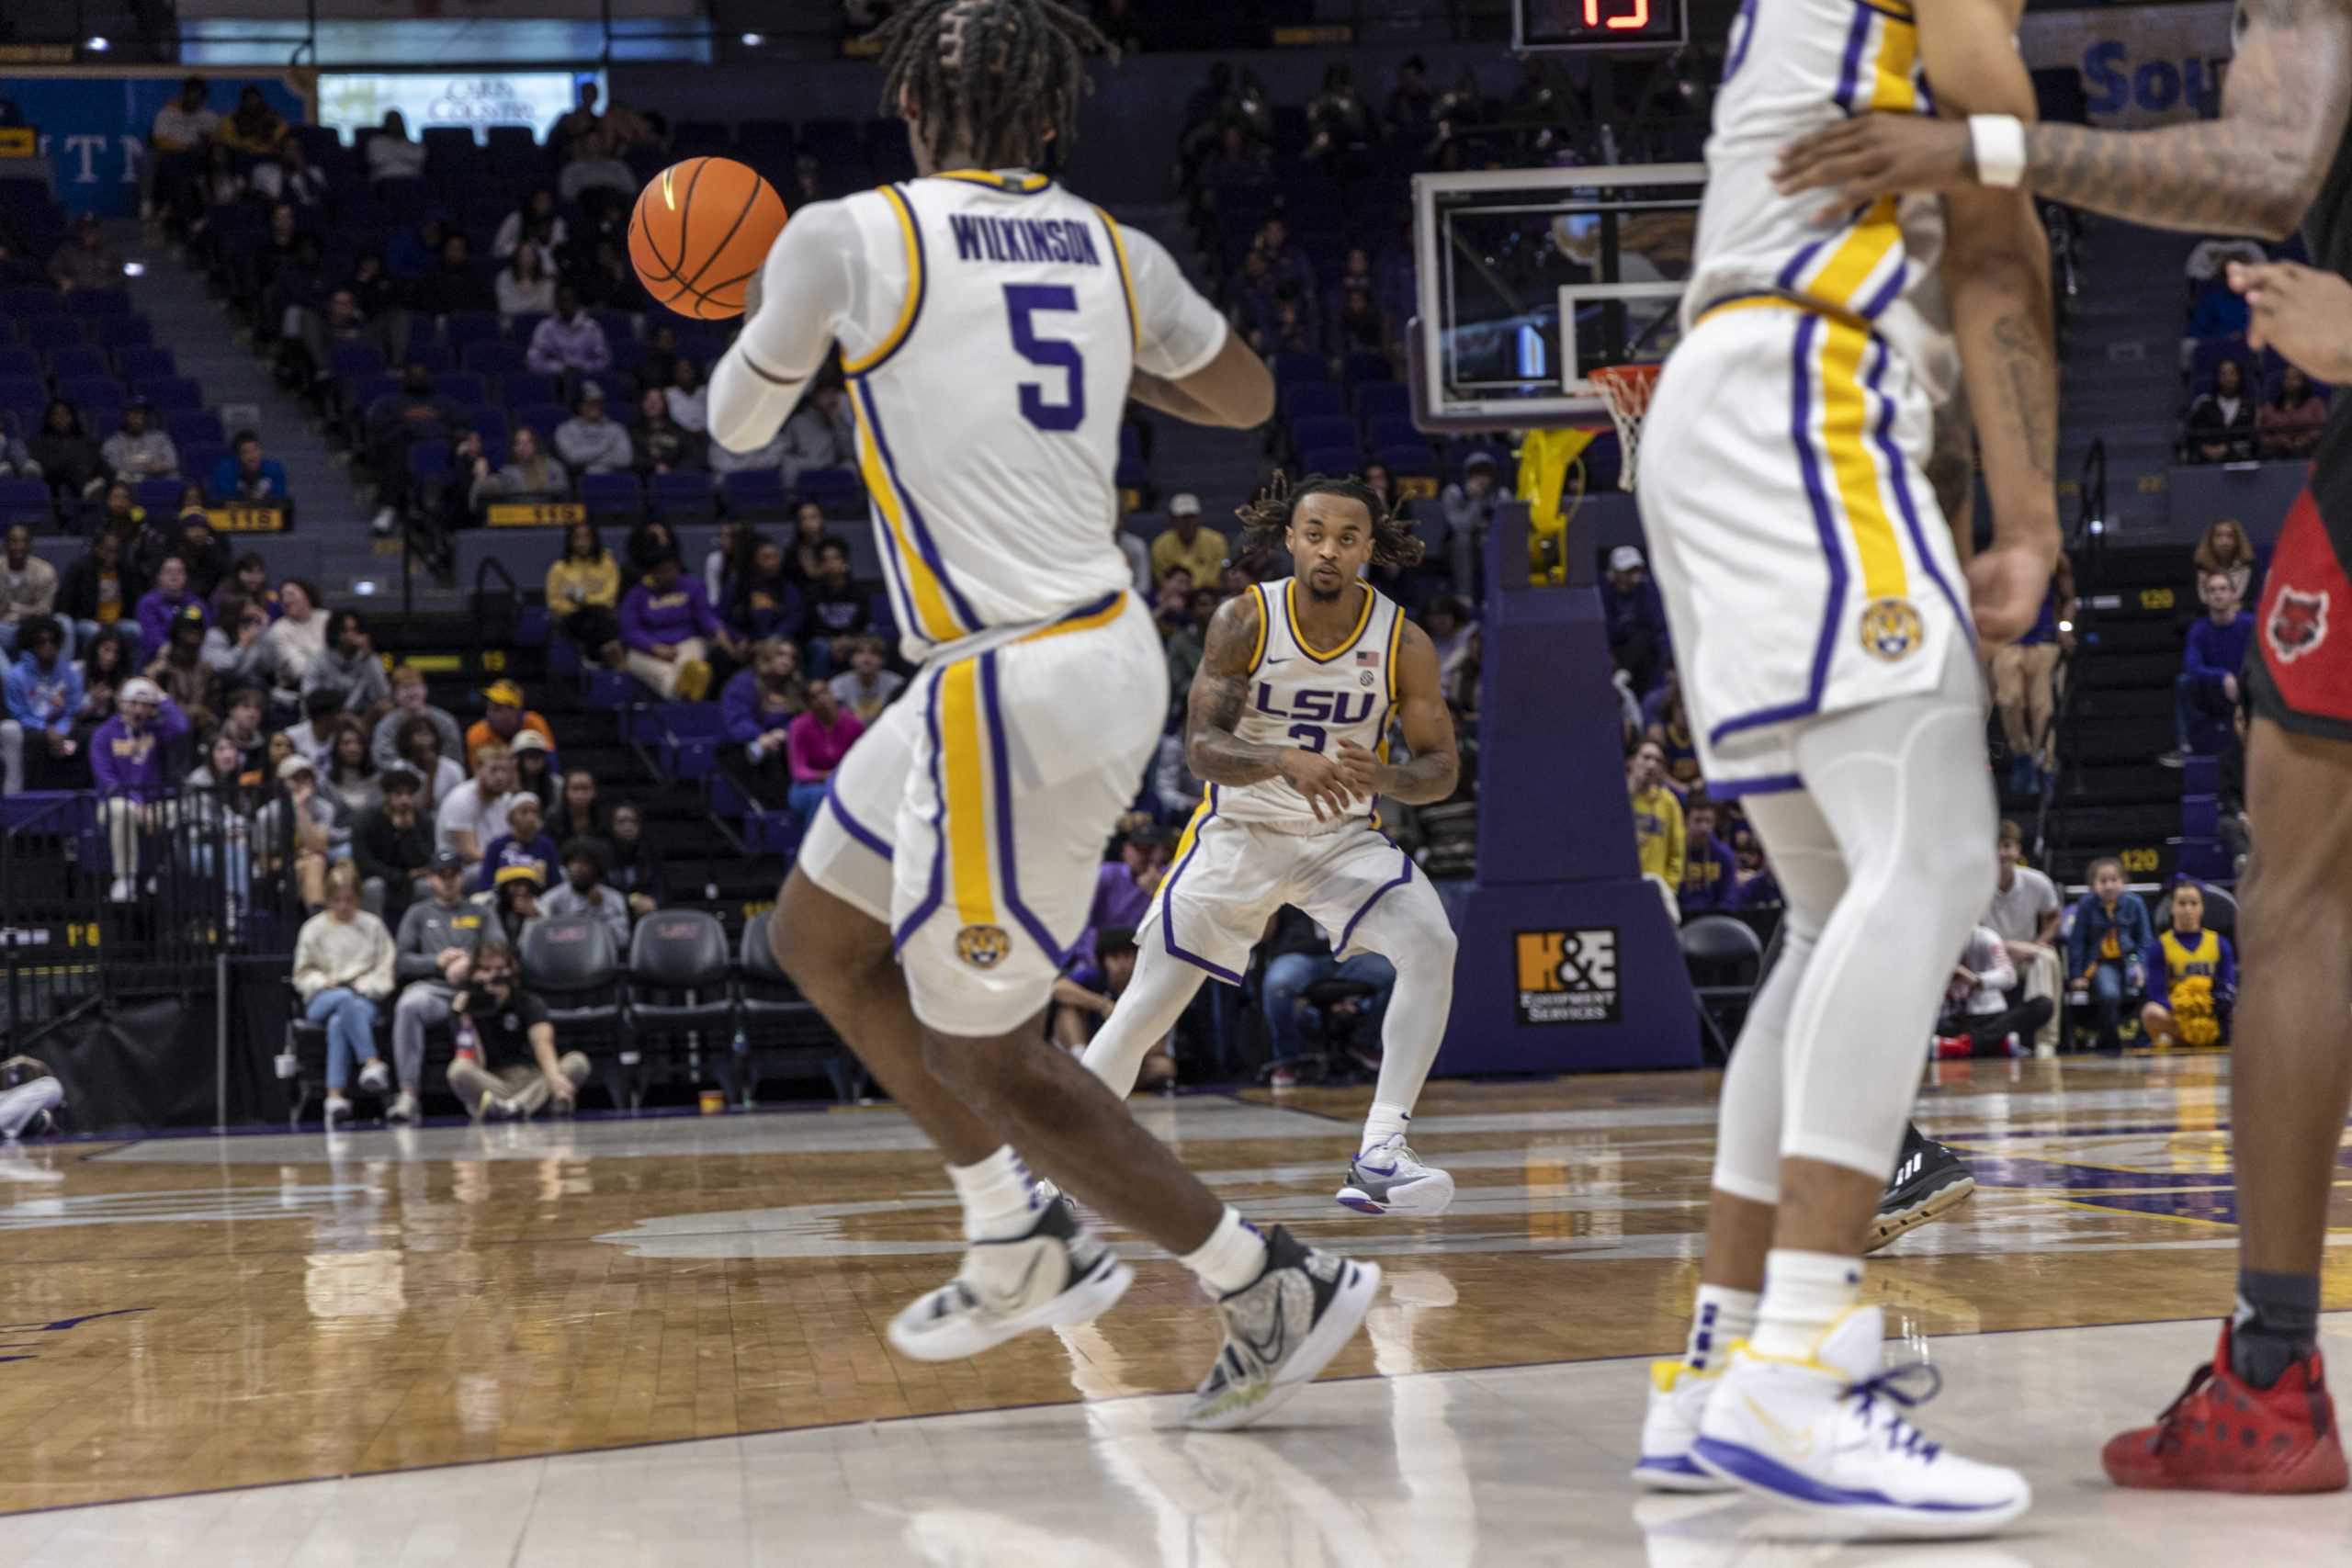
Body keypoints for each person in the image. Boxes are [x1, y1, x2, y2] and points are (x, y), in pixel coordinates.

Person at [706, 0, 1374, 1422]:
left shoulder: (842, 235)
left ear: (907, 112)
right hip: (1036, 659)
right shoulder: (1112, 248)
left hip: (1017, 675)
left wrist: (765, 324)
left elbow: (732, 428)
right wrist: (1105, 354)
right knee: (817, 932)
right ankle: (1010, 1229)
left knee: (982, 1048)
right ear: (1054, 122)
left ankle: (1263, 1274)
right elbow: (1247, 390)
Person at [1628, 0, 2059, 1530]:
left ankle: (1722, 1355)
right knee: (1936, 861)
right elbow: (2006, 183)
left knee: (1833, 914)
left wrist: (2021, 524)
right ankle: (1798, 1364)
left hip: (1737, 403)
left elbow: (1988, 227)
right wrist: (2024, 525)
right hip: (1812, 393)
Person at [1080, 471, 1463, 1213]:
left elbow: (1442, 768)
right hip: (1240, 833)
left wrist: (1383, 774)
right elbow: (1201, 747)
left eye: (1347, 537)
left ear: (1368, 547)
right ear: (1290, 538)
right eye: (1314, 533)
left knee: (1432, 942)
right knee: (1144, 1010)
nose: (1329, 549)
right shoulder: (1243, 620)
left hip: (1341, 839)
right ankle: (1058, 1175)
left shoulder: (1402, 640)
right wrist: (1285, 758)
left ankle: (1381, 1150)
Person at [291, 863, 397, 1128]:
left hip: (363, 997)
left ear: (358, 898)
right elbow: (301, 974)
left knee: (341, 1020)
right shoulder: (312, 929)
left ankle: (335, 1096)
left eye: (349, 900)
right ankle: (371, 1062)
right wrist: (322, 981)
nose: (343, 906)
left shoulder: (373, 927)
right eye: (336, 900)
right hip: (322, 997)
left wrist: (366, 986)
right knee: (342, 1000)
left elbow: (385, 968)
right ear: (327, 899)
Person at [446, 941, 592, 1121]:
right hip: (492, 1081)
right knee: (458, 1070)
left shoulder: (528, 1002)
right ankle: (531, 1106)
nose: (494, 976)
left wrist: (554, 1078)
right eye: (486, 969)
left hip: (533, 1078)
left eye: (500, 969)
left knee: (577, 1062)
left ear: (511, 970)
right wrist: (464, 1019)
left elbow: (542, 1043)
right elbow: (474, 1062)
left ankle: (512, 1107)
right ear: (474, 973)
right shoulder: (465, 1007)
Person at [91, 677, 191, 902]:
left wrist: (163, 698)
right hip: (114, 802)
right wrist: (136, 802)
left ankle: (163, 869)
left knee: (184, 810)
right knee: (123, 810)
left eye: (146, 705)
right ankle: (125, 879)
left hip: (152, 802)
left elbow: (182, 728)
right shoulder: (103, 734)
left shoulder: (155, 731)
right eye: (133, 703)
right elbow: (106, 778)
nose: (139, 710)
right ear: (122, 703)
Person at [1989, 556, 2075, 794]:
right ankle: (2021, 753)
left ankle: (2045, 767)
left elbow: (2068, 597)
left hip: (2044, 641)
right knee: (2008, 699)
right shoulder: (1997, 559)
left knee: (2044, 709)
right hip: (2008, 643)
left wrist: (2066, 628)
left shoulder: (2054, 558)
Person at [1985, 820, 2065, 1055]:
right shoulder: (1974, 886)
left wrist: (2040, 943)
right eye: (1996, 847)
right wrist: (2005, 947)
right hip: (1989, 958)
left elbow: (2053, 917)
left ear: (2018, 851)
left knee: (2047, 958)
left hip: (2026, 955)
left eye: (2007, 846)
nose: (2002, 853)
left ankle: (2045, 1041)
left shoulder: (2037, 881)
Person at [2136, 878, 2237, 1051]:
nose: (2188, 909)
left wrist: (2211, 1008)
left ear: (2202, 908)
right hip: (2176, 1016)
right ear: (2172, 907)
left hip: (2212, 1013)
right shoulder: (2160, 946)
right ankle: (2182, 1040)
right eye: (2182, 903)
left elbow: (2228, 985)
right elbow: (2156, 992)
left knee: (2240, 1012)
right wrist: (2184, 1012)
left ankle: (2214, 1037)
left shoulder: (2220, 943)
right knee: (2151, 1012)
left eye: (2193, 903)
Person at [2066, 856, 2155, 1051]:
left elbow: (2145, 940)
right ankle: (2110, 1041)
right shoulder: (2086, 905)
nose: (2109, 885)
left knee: (2150, 987)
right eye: (2103, 881)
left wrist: (2140, 965)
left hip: (2131, 958)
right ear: (2092, 885)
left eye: (2114, 880)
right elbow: (2077, 942)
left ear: (2123, 882)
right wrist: (2077, 975)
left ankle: (2143, 1039)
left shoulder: (2135, 903)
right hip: (2102, 962)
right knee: (2109, 994)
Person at [620, 550, 732, 701]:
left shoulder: (693, 586)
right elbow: (630, 630)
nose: (670, 575)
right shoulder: (636, 594)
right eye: (663, 571)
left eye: (673, 570)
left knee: (687, 667)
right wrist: (654, 648)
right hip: (647, 649)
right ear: (652, 573)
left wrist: (718, 631)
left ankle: (682, 696)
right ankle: (683, 696)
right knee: (662, 671)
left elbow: (706, 617)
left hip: (686, 642)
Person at [1934, 923, 2052, 1059]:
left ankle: (1962, 1046)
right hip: (1953, 1019)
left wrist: (1976, 980)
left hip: (1988, 1016)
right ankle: (1996, 1044)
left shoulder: (1985, 937)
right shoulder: (1933, 941)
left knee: (2043, 1005)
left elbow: (2009, 976)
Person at [1, 617, 81, 794]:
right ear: (31, 644)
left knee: (79, 739)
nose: (48, 646)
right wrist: (45, 729)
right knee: (35, 741)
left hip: (62, 728)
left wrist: (60, 730)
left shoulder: (69, 672)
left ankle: (73, 794)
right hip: (32, 729)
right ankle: (34, 796)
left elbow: (73, 709)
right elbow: (18, 715)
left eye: (52, 641)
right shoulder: (16, 677)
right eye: (41, 642)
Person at [253, 752, 340, 910]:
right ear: (281, 783)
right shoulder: (266, 815)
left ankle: (315, 915)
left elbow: (318, 846)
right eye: (295, 778)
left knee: (315, 862)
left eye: (306, 778)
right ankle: (317, 918)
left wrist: (300, 808)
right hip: (276, 874)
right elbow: (263, 863)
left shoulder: (325, 809)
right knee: (314, 862)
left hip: (313, 866)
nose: (302, 784)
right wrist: (292, 858)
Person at [722, 637, 806, 800]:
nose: (787, 661)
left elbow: (802, 719)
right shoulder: (743, 683)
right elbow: (737, 719)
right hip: (742, 744)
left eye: (791, 657)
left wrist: (785, 732)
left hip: (781, 741)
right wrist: (759, 736)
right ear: (766, 656)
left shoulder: (795, 686)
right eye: (780, 654)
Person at [352, 766, 435, 922]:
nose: (405, 800)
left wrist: (408, 832)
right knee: (373, 887)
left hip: (410, 883)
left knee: (426, 886)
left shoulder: (423, 820)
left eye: (410, 794)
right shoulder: (367, 819)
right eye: (399, 794)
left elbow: (426, 860)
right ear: (387, 796)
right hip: (381, 878)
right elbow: (364, 863)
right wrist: (400, 876)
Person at [784, 676, 863, 828]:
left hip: (844, 782)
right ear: (808, 705)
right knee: (821, 795)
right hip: (807, 787)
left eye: (824, 693)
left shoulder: (853, 724)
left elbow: (861, 760)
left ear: (833, 694)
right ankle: (813, 847)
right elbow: (798, 770)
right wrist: (825, 776)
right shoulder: (799, 726)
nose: (821, 699)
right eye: (814, 697)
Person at [546, 521, 624, 666]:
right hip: (573, 617)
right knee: (597, 620)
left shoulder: (607, 564)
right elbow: (554, 602)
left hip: (601, 614)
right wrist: (578, 607)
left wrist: (585, 601)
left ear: (594, 540)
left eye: (586, 538)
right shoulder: (559, 568)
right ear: (570, 541)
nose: (582, 543)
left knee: (599, 616)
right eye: (577, 538)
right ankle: (613, 660)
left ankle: (593, 658)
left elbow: (609, 597)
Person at [794, 537, 869, 673]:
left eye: (835, 558)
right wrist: (833, 642)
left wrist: (847, 639)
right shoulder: (812, 593)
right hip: (823, 640)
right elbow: (811, 626)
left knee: (871, 639)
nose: (830, 563)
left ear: (845, 562)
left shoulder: (859, 592)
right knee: (821, 647)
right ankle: (818, 688)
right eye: (825, 560)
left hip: (851, 638)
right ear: (820, 565)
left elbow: (863, 621)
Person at [540, 836, 630, 949]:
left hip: (600, 958)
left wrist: (600, 909)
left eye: (585, 863)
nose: (577, 868)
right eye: (572, 862)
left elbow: (621, 939)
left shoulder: (614, 899)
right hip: (561, 959)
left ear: (597, 867)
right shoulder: (551, 898)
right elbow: (544, 939)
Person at [369, 664, 462, 773]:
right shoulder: (386, 725)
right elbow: (382, 759)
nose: (411, 693)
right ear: (395, 694)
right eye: (405, 688)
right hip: (400, 779)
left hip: (440, 777)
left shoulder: (446, 721)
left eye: (415, 686)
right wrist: (411, 771)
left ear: (425, 689)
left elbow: (454, 759)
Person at [436, 740, 516, 865]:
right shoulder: (461, 800)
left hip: (496, 863)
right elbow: (469, 854)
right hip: (459, 871)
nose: (500, 777)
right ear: (478, 769)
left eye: (505, 770)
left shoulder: (506, 800)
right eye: (494, 770)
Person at [143, 603, 218, 732]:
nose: (193, 637)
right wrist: (190, 712)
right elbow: (153, 710)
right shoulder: (159, 669)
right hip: (166, 730)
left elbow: (212, 710)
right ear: (176, 633)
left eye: (197, 631)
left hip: (199, 730)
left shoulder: (207, 669)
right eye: (188, 631)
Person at [304, 609, 390, 716]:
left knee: (384, 706)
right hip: (330, 715)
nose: (351, 635)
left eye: (355, 630)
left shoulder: (370, 659)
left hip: (362, 716)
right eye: (345, 631)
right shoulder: (318, 660)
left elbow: (383, 695)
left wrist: (368, 658)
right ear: (335, 633)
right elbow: (309, 694)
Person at [1626, 739, 1685, 893]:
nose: (1652, 765)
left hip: (1655, 890)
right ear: (1631, 761)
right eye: (1646, 757)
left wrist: (1668, 889)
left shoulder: (1669, 802)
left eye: (1658, 761)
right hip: (1620, 887)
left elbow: (1677, 853)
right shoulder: (1614, 797)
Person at [470, 426, 571, 513]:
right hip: (519, 524)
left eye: (528, 442)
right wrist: (482, 477)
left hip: (550, 519)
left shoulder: (553, 466)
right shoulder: (507, 472)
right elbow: (487, 489)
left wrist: (542, 486)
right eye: (519, 443)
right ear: (513, 448)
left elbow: (563, 489)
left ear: (536, 444)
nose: (523, 447)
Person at [472, 790, 557, 894]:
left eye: (534, 812)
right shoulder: (496, 846)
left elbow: (555, 885)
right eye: (524, 812)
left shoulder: (546, 845)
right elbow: (486, 884)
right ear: (510, 817)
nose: (530, 817)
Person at [0, 525, 61, 659]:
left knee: (64, 623)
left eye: (23, 541)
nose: (18, 546)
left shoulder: (45, 571)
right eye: (14, 541)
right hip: (3, 630)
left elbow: (44, 610)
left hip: (33, 629)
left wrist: (16, 612)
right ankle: (12, 678)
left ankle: (60, 674)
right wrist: (28, 611)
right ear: (5, 545)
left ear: (30, 545)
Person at [526, 288, 612, 379]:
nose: (566, 305)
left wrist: (583, 368)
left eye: (569, 300)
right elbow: (533, 360)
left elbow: (604, 360)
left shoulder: (591, 327)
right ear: (557, 304)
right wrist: (560, 368)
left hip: (587, 379)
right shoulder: (546, 328)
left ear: (577, 303)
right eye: (562, 301)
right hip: (555, 379)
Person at [779, 383, 854, 488]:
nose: (830, 398)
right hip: (806, 474)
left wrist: (837, 420)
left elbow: (849, 453)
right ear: (816, 396)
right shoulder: (799, 421)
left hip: (832, 476)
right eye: (825, 393)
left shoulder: (839, 420)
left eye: (834, 393)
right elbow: (783, 451)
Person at [465, 680, 554, 768]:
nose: (490, 712)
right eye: (490, 705)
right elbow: (478, 773)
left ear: (516, 710)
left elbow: (551, 764)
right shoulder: (476, 733)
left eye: (497, 707)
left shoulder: (535, 723)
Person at [2187, 357, 2258, 464]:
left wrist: (2227, 448)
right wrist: (2205, 449)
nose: (2228, 378)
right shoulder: (2205, 406)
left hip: (2240, 465)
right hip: (2208, 464)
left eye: (2232, 373)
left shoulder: (2249, 407)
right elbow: (2193, 435)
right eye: (2223, 374)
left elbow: (2252, 440)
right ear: (2217, 377)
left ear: (2239, 377)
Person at [28, 400, 102, 502]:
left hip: (85, 474)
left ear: (72, 418)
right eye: (56, 414)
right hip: (52, 479)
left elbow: (94, 461)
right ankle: (85, 487)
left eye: (65, 414)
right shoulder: (39, 441)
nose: (61, 418)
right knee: (70, 462)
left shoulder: (83, 441)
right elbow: (40, 465)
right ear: (50, 419)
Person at [554, 383, 633, 477]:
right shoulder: (565, 430)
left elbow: (625, 459)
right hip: (579, 483)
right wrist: (605, 446)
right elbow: (573, 457)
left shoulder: (617, 429)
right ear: (579, 406)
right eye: (591, 403)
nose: (596, 406)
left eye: (598, 402)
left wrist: (589, 462)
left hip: (614, 480)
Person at [1150, 493, 1227, 589]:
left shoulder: (1216, 541)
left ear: (1198, 518)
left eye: (1191, 517)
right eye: (1183, 518)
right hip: (1175, 595)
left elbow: (1217, 577)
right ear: (1172, 519)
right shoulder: (1160, 545)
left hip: (1208, 593)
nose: (1188, 522)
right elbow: (1164, 579)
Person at [603, 800, 662, 918]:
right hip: (612, 915)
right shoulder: (603, 855)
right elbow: (602, 892)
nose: (628, 826)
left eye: (633, 821)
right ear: (612, 825)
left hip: (645, 913)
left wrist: (654, 901)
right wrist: (632, 901)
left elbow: (661, 890)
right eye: (621, 821)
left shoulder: (649, 853)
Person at [1677, 797, 1735, 918]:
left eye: (1708, 821)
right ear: (1686, 821)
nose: (1704, 827)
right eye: (1698, 821)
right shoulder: (1674, 851)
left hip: (1713, 920)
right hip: (1677, 918)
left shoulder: (1724, 855)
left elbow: (1728, 898)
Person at [2259, 365, 2329, 460]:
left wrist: (2307, 439)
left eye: (2295, 378)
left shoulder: (2315, 404)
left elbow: (2323, 429)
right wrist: (2278, 440)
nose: (2290, 382)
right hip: (2277, 451)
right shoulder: (2270, 407)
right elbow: (2262, 435)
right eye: (2287, 378)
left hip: (2309, 450)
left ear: (2304, 382)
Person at [101, 403, 179, 486]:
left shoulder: (160, 438)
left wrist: (159, 467)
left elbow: (172, 463)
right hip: (128, 485)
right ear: (125, 417)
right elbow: (116, 467)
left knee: (174, 477)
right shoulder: (113, 442)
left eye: (142, 414)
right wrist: (145, 468)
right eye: (135, 414)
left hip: (157, 480)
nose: (139, 418)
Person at [396, 715, 465, 809]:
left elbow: (460, 805)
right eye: (419, 734)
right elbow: (419, 809)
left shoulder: (453, 769)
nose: (425, 740)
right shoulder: (400, 769)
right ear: (407, 741)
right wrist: (431, 773)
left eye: (428, 734)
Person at [828, 637, 903, 722]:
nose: (867, 659)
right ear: (852, 659)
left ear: (882, 660)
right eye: (860, 652)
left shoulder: (897, 684)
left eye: (874, 653)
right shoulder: (837, 685)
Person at [210, 432, 291, 511]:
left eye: (255, 450)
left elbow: (279, 497)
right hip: (232, 516)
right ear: (237, 456)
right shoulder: (225, 471)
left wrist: (262, 499)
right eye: (245, 452)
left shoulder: (274, 469)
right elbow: (225, 501)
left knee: (287, 503)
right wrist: (250, 500)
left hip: (264, 514)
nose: (253, 456)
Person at [50, 213, 123, 294]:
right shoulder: (67, 250)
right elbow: (53, 269)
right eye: (84, 229)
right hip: (75, 293)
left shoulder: (110, 251)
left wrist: (107, 284)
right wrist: (63, 280)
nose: (89, 233)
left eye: (93, 229)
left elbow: (120, 274)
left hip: (103, 294)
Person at [364, 109, 427, 189]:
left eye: (398, 122)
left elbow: (419, 160)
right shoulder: (376, 142)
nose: (396, 125)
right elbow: (376, 160)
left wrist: (393, 154)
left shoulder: (412, 144)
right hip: (385, 180)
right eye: (392, 122)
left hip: (411, 179)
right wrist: (403, 156)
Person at [494, 242, 556, 321]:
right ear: (516, 257)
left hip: (539, 325)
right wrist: (533, 306)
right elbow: (506, 308)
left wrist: (521, 306)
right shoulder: (503, 278)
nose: (526, 258)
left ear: (536, 258)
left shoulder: (547, 282)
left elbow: (547, 308)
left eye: (530, 254)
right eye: (522, 254)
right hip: (512, 325)